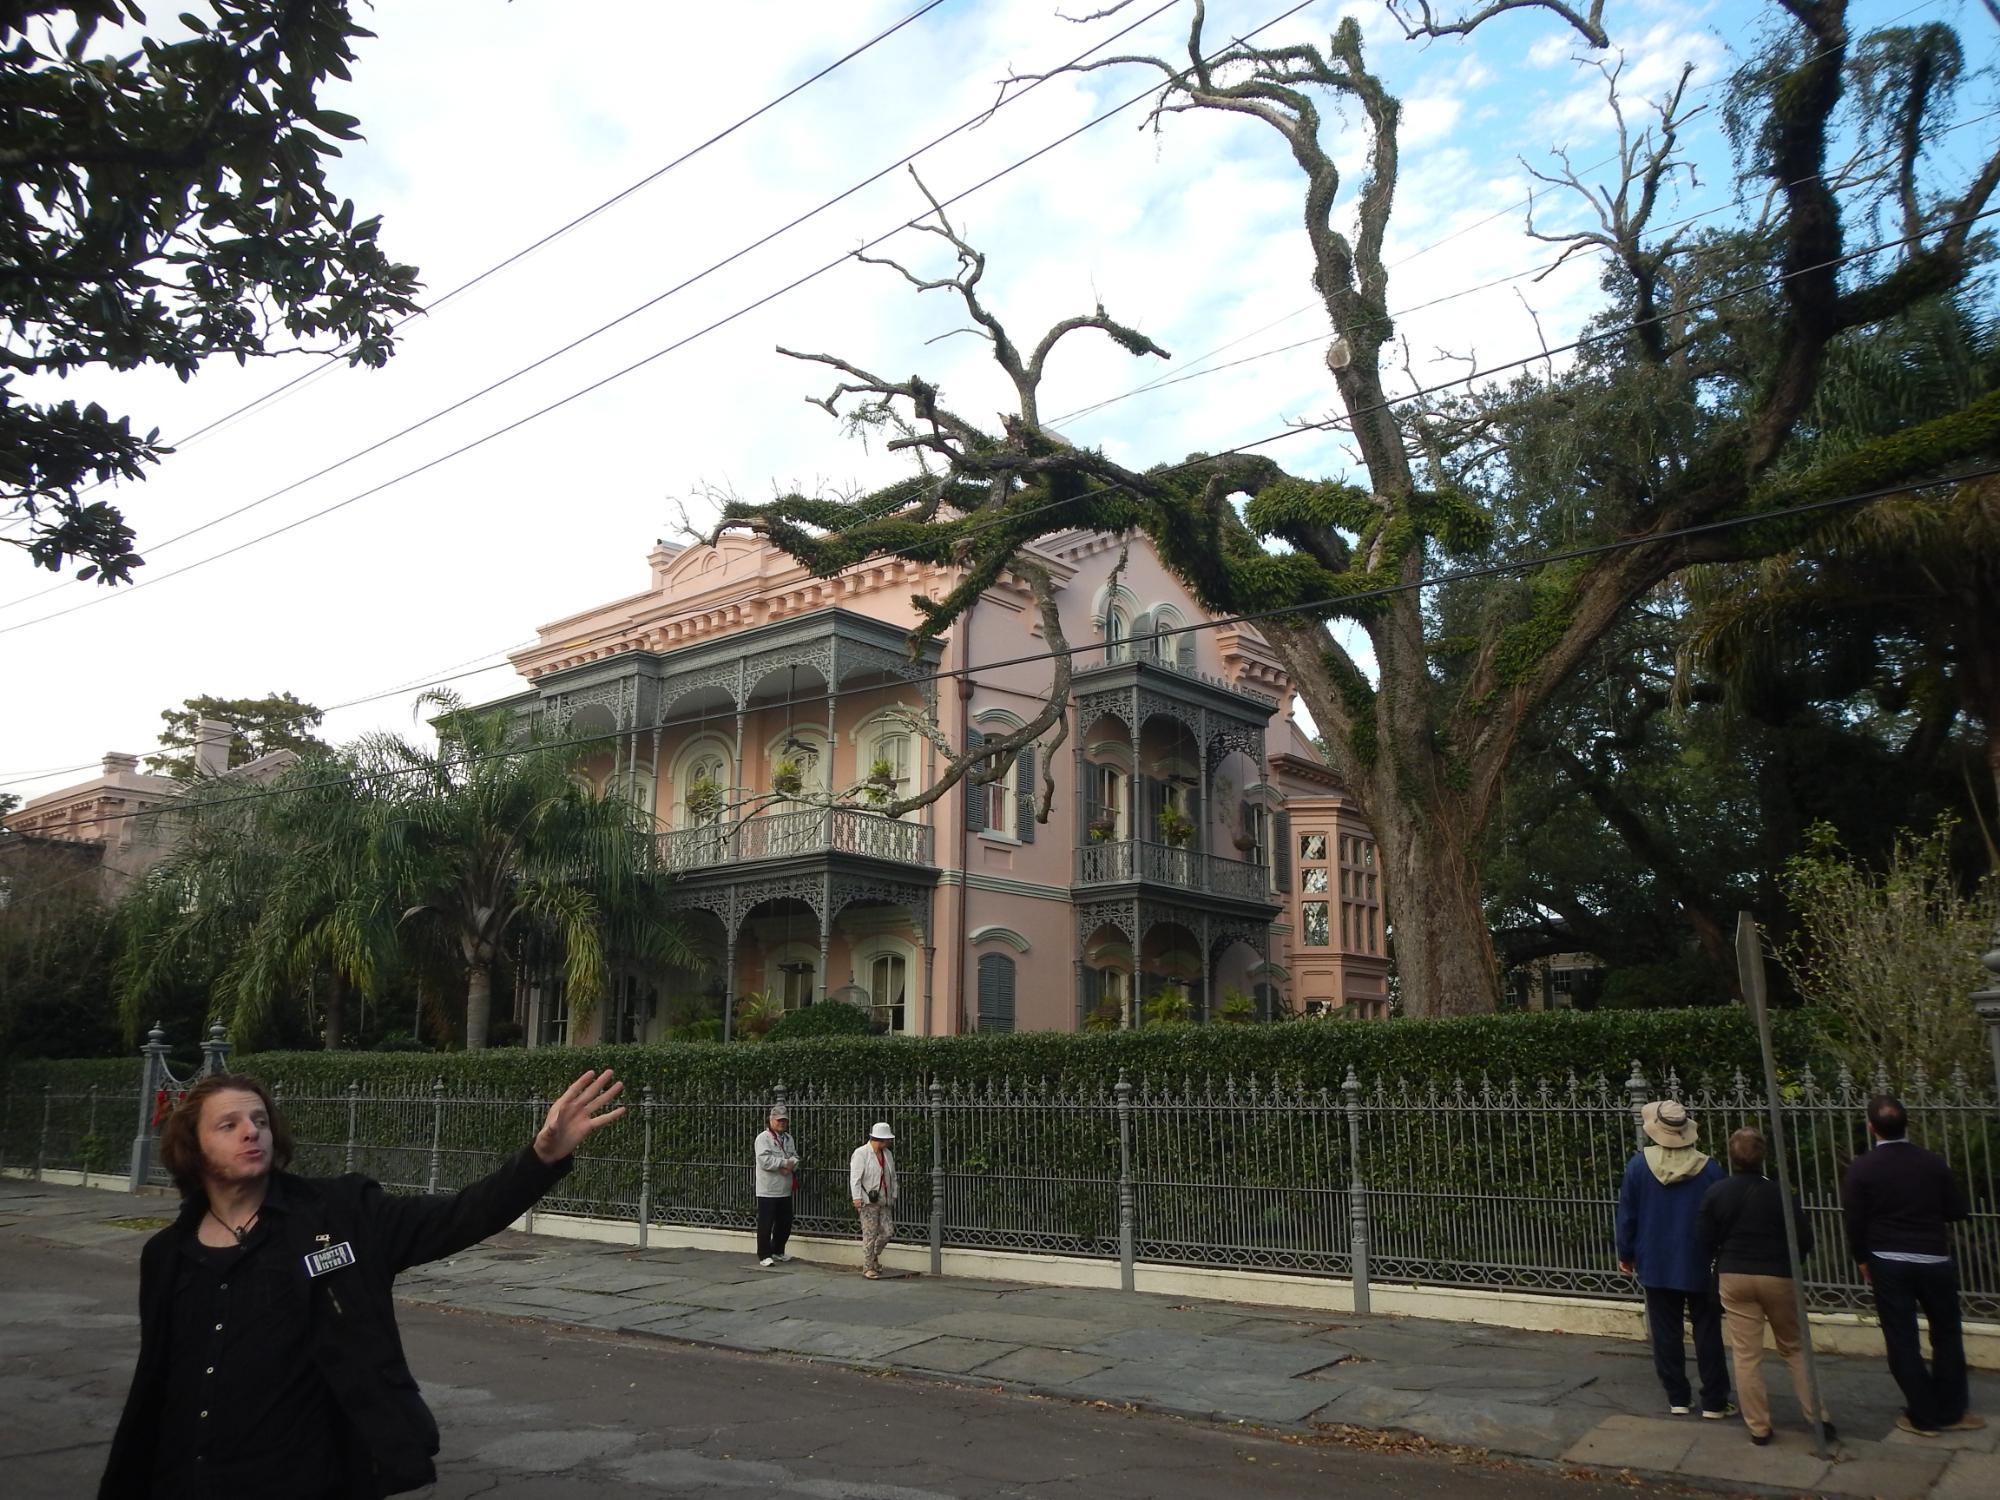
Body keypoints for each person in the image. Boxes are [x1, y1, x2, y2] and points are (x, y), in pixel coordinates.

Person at [99, 1067, 625, 1499]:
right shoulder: (167, 1255)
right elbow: (157, 1385)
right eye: (228, 1124)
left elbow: (461, 1216)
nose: (250, 1131)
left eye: (258, 1119)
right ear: (192, 1146)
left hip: (308, 1479)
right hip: (190, 1480)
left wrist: (542, 1159)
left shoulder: (342, 1214)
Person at [1842, 1094, 1983, 1437]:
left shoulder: (1862, 1168)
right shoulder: (1932, 1163)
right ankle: (1952, 1409)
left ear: (1872, 1127)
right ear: (1907, 1124)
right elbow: (1956, 1210)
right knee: (1947, 1333)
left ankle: (1923, 1414)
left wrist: (1861, 1258)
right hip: (1934, 1257)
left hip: (1888, 1260)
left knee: (1902, 1336)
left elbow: (1854, 1220)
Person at [1698, 1127, 1834, 1446]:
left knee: (1746, 1354)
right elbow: (1803, 1238)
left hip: (1735, 1275)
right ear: (1763, 1157)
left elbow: (1703, 1238)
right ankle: (1818, 1419)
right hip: (1777, 1273)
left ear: (1731, 1157)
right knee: (1795, 1347)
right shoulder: (1781, 1192)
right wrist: (1791, 1262)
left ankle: (1759, 1426)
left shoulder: (1717, 1192)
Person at [1616, 1098, 1732, 1419]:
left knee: (1666, 1331)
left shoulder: (1638, 1166)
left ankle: (1678, 1397)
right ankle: (1714, 1400)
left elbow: (1628, 1215)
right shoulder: (1710, 1168)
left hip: (1655, 1257)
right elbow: (1720, 1218)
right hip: (1700, 1259)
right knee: (1708, 1329)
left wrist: (1626, 1253)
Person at [848, 1121, 898, 1280]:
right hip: (867, 1201)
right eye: (887, 1139)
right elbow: (855, 1178)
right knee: (869, 1234)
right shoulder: (861, 1153)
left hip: (884, 1199)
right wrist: (856, 1198)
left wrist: (894, 1194)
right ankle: (868, 1267)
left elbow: (893, 1176)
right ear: (879, 1139)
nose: (889, 1142)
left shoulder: (887, 1154)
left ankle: (874, 1255)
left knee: (888, 1231)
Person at [754, 1105, 799, 1268]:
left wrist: (793, 1164)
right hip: (768, 1189)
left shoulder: (788, 1138)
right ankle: (764, 1254)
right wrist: (783, 1163)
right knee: (766, 1223)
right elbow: (764, 1160)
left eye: (784, 1121)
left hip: (784, 1189)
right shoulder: (763, 1138)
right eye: (779, 1120)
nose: (782, 1123)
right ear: (771, 1120)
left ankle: (778, 1250)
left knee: (785, 1222)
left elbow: (795, 1156)